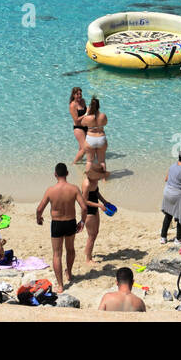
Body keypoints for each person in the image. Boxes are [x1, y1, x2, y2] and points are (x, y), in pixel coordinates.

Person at [35, 162, 86, 293]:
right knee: (70, 249)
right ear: (67, 173)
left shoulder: (50, 190)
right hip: (70, 222)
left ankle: (60, 285)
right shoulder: (74, 189)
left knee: (57, 254)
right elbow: (84, 207)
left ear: (55, 174)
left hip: (57, 224)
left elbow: (39, 209)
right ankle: (69, 273)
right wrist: (82, 222)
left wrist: (39, 219)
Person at [82, 159, 109, 265]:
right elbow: (84, 200)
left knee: (95, 232)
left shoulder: (95, 181)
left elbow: (96, 193)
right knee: (91, 235)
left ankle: (87, 252)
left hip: (95, 208)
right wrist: (99, 205)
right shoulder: (87, 184)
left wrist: (104, 201)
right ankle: (88, 259)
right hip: (88, 211)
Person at [80, 97, 108, 170]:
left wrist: (86, 113)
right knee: (102, 161)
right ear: (99, 106)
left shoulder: (88, 118)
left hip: (90, 139)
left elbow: (82, 124)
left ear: (90, 106)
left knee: (89, 161)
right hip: (101, 138)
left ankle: (88, 179)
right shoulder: (103, 116)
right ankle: (104, 180)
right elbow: (105, 123)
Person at [69, 87, 89, 164]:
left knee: (81, 147)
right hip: (78, 128)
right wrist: (86, 114)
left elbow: (87, 110)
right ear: (73, 95)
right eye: (77, 94)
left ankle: (79, 164)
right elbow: (76, 120)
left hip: (86, 127)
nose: (79, 95)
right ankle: (74, 164)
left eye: (80, 94)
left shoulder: (83, 101)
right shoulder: (72, 105)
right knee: (85, 149)